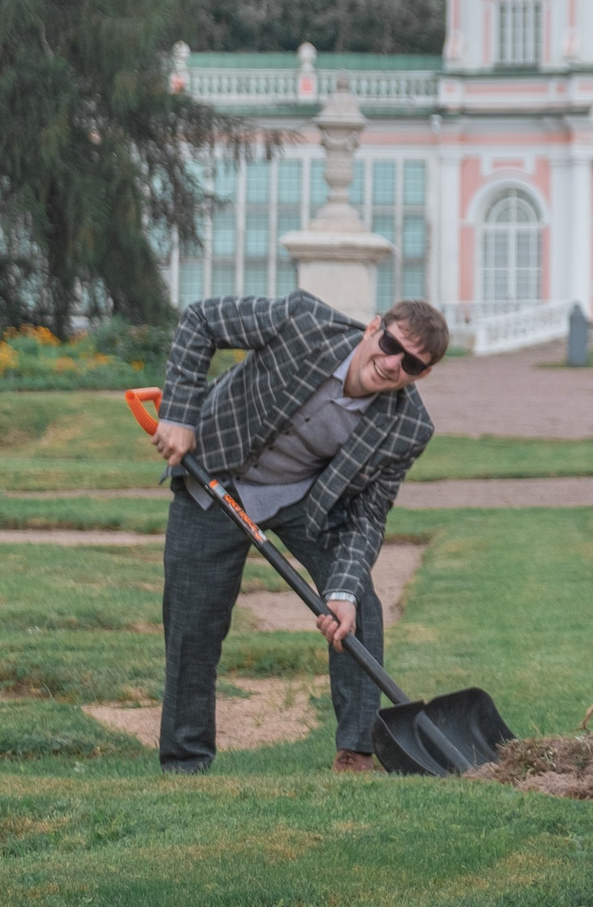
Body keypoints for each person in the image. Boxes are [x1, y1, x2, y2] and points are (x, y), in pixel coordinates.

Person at [148, 292, 446, 773]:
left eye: (411, 363)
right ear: (373, 328)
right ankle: (186, 763)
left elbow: (367, 516)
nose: (393, 364)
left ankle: (356, 750)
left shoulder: (408, 426)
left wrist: (343, 590)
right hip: (216, 475)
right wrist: (180, 414)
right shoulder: (304, 321)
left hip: (300, 501)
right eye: (391, 344)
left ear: (422, 374)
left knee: (360, 606)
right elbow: (201, 319)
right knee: (192, 625)